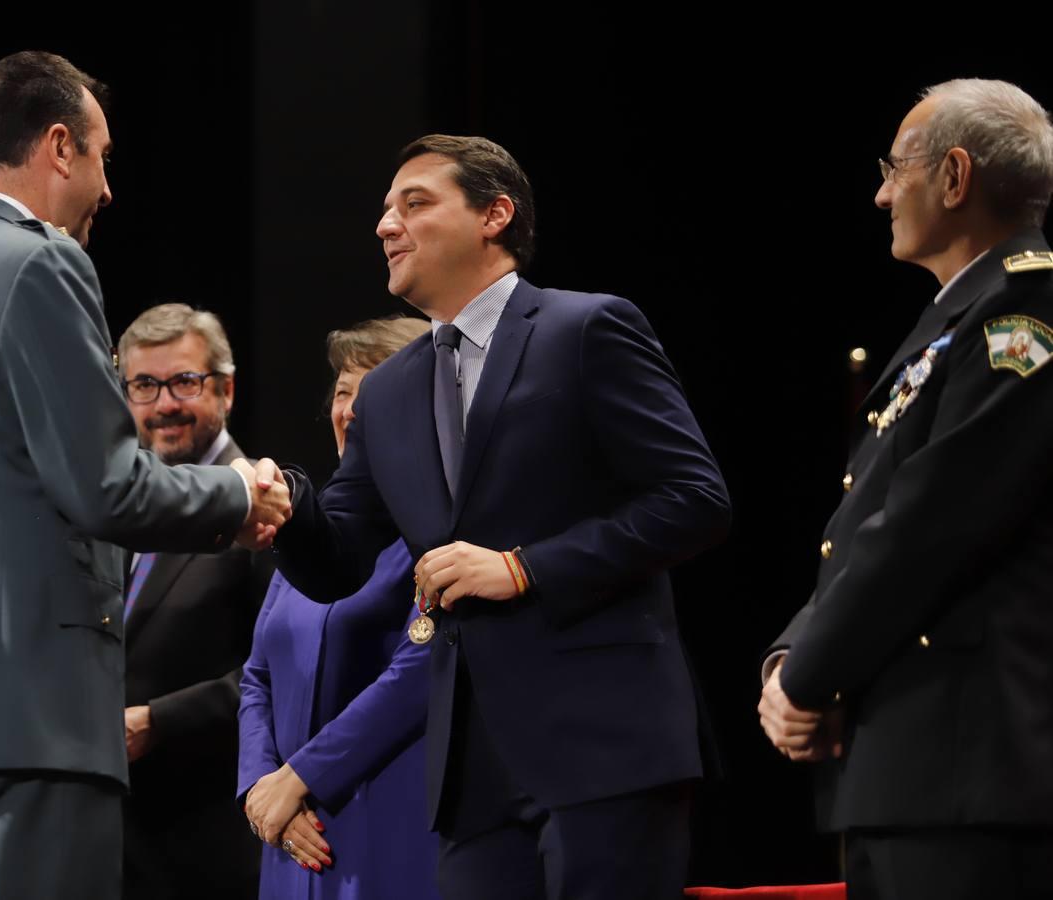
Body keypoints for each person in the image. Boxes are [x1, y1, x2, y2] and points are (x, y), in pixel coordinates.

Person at [0, 51, 288, 899]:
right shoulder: (39, 263)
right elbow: (105, 487)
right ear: (61, 145)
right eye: (105, 156)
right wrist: (239, 492)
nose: (108, 190)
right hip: (36, 712)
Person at [263, 135, 730, 899]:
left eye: (414, 203)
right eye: (384, 210)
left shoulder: (586, 329)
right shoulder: (388, 393)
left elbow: (695, 501)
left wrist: (522, 568)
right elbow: (339, 557)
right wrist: (284, 505)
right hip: (472, 771)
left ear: (495, 215)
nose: (386, 225)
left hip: (603, 743)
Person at [758, 79, 1053, 899]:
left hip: (971, 762)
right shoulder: (959, 315)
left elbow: (932, 524)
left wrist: (807, 678)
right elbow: (865, 520)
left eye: (897, 168)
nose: (883, 192)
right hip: (905, 756)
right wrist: (790, 657)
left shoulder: (1024, 316)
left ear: (954, 177)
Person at [238, 315, 439, 899]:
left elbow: (418, 675)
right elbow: (257, 678)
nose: (352, 412)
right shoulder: (314, 535)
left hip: (385, 820)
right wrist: (260, 786)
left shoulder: (436, 529)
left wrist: (305, 779)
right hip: (284, 831)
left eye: (374, 394)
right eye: (345, 393)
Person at [117, 304, 271, 899]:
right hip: (111, 840)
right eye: (144, 386)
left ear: (226, 390)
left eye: (184, 382)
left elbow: (280, 670)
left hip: (211, 840)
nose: (164, 405)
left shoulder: (266, 502)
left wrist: (159, 720)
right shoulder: (109, 512)